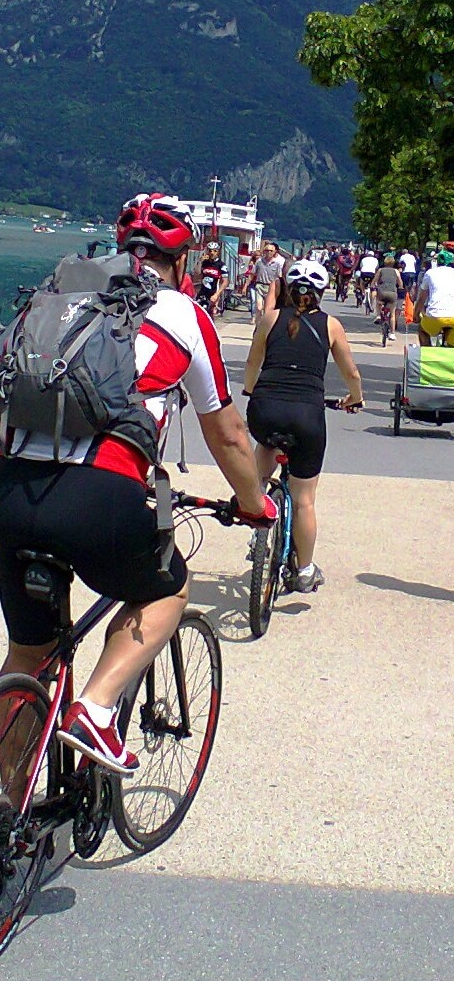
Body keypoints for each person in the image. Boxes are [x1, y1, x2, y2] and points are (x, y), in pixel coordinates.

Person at [0, 193, 276, 777]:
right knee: (169, 589)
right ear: (184, 260)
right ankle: (96, 710)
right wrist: (255, 504)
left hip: (12, 489)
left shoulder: (58, 300)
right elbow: (228, 433)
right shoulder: (183, 314)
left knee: (29, 653)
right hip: (98, 492)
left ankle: (7, 806)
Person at [243, 259, 363, 593]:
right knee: (304, 500)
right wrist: (355, 398)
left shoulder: (270, 319)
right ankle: (306, 570)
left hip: (265, 409)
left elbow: (252, 362)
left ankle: (257, 510)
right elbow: (351, 373)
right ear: (321, 292)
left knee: (266, 445)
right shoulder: (331, 326)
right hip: (306, 415)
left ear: (288, 289)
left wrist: (251, 390)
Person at [413, 250, 454, 346]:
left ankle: (428, 352)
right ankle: (452, 351)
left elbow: (422, 298)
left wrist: (416, 314)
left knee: (423, 331)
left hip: (435, 316)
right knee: (453, 345)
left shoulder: (430, 273)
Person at [194, 241, 229, 318]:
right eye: (210, 251)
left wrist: (217, 294)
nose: (212, 253)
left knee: (210, 315)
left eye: (214, 251)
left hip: (213, 293)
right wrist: (200, 261)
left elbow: (225, 282)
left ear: (218, 252)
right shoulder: (205, 263)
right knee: (198, 313)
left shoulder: (221, 265)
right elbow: (197, 274)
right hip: (202, 293)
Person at [371, 254, 402, 337]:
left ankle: (378, 315)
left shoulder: (380, 270)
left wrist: (372, 286)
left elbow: (374, 281)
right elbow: (400, 283)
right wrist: (400, 287)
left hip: (382, 292)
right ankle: (392, 333)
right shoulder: (396, 271)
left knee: (378, 302)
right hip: (392, 294)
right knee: (392, 314)